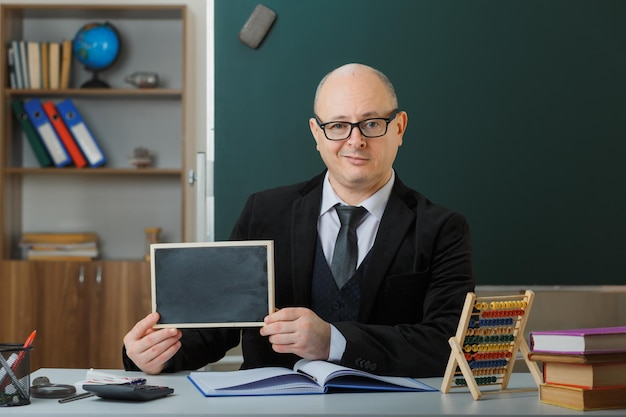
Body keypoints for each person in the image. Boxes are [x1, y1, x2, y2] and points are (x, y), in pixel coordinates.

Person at [123, 63, 474, 378]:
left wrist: (333, 342)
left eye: (371, 123)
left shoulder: (442, 229)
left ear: (399, 127)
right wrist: (154, 354)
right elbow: (219, 327)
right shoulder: (264, 212)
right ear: (317, 133)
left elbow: (450, 345)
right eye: (338, 125)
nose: (356, 140)